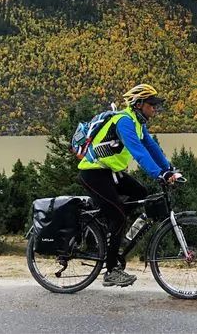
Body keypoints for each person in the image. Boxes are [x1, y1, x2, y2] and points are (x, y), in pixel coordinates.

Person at [78, 84, 180, 287]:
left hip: (110, 173)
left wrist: (169, 168)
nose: (155, 109)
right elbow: (138, 152)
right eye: (152, 105)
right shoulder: (124, 122)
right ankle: (111, 271)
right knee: (118, 216)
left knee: (140, 192)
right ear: (139, 104)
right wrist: (159, 174)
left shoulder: (137, 123)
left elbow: (151, 147)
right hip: (94, 172)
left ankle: (113, 233)